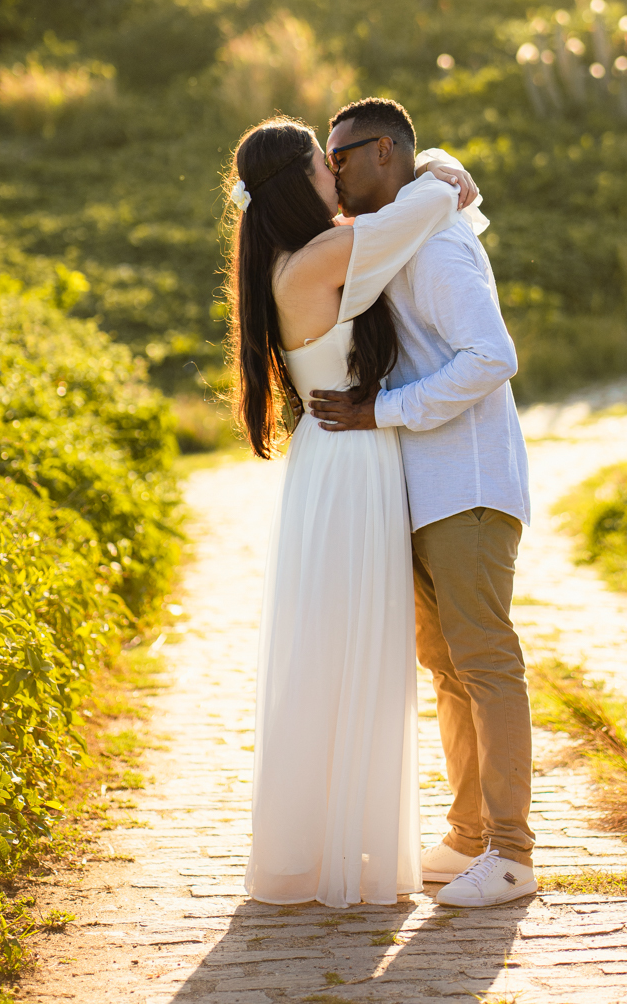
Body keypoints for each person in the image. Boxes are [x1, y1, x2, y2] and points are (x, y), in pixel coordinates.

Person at [225, 115, 478, 908]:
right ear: (300, 182)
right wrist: (441, 165)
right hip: (349, 463)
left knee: (345, 653)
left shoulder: (294, 255)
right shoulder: (320, 256)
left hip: (341, 463)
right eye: (322, 165)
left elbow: (412, 210)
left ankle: (332, 846)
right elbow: (423, 208)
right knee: (354, 655)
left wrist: (436, 169)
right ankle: (339, 855)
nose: (337, 176)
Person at [308, 97, 534, 909]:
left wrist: (382, 412)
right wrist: (440, 164)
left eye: (340, 158)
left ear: (381, 156)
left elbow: (492, 356)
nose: (331, 173)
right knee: (446, 668)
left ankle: (511, 853)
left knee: (484, 661)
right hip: (427, 488)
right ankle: (470, 835)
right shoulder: (406, 227)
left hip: (468, 483)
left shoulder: (433, 247)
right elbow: (434, 171)